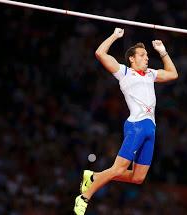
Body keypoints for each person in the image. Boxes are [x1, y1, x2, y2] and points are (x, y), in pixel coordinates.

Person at [74, 27, 178, 215]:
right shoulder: (123, 72)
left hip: (150, 129)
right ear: (132, 58)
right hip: (136, 126)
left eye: (147, 55)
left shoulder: (150, 74)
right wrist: (114, 35)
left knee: (138, 177)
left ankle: (94, 176)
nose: (147, 57)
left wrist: (162, 51)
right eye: (143, 55)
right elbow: (99, 53)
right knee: (118, 169)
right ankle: (84, 197)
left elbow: (173, 74)